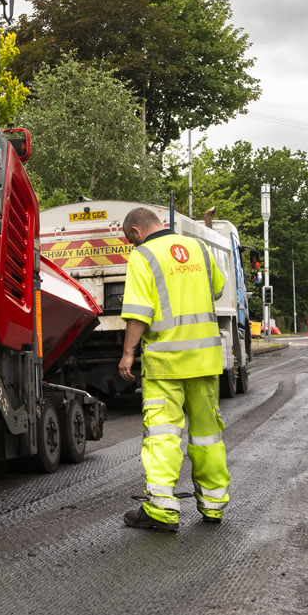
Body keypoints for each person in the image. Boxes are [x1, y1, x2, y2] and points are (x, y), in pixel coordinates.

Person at [118, 206, 230, 531]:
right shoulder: (200, 248)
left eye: (130, 240)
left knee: (163, 434)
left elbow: (138, 311)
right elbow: (217, 289)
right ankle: (213, 506)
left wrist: (128, 354)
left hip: (166, 363)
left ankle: (162, 511)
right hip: (205, 359)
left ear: (137, 232)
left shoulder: (143, 256)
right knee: (208, 435)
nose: (132, 245)